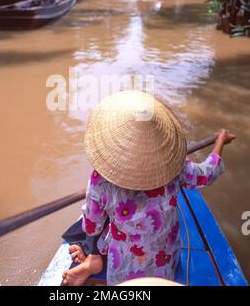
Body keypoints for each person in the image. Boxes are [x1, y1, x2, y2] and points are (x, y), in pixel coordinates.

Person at [62, 91, 235, 286]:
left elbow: (91, 227)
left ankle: (94, 258)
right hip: (165, 263)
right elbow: (207, 173)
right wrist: (220, 141)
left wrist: (94, 205)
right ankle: (95, 261)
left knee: (90, 229)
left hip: (123, 267)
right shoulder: (176, 167)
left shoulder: (99, 180)